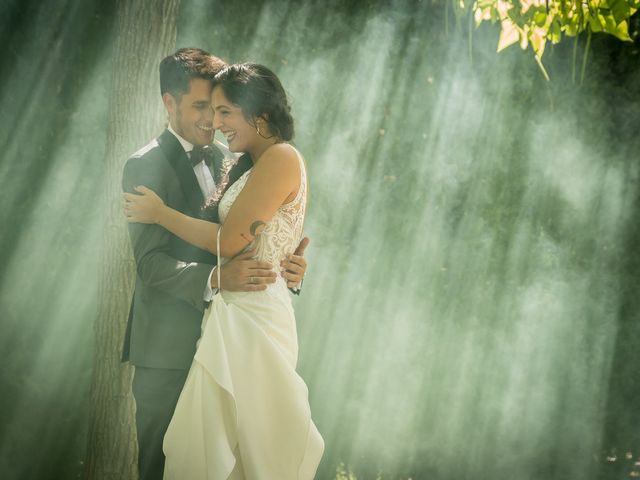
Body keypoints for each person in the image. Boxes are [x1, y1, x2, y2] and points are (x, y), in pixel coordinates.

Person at [124, 63, 324, 479]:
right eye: (203, 107)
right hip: (170, 346)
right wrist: (217, 278)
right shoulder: (146, 165)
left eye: (221, 111)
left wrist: (289, 263)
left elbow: (237, 239)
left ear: (257, 111)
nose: (213, 122)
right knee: (178, 461)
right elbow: (149, 263)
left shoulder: (237, 157)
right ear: (169, 103)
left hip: (241, 325)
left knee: (246, 452)